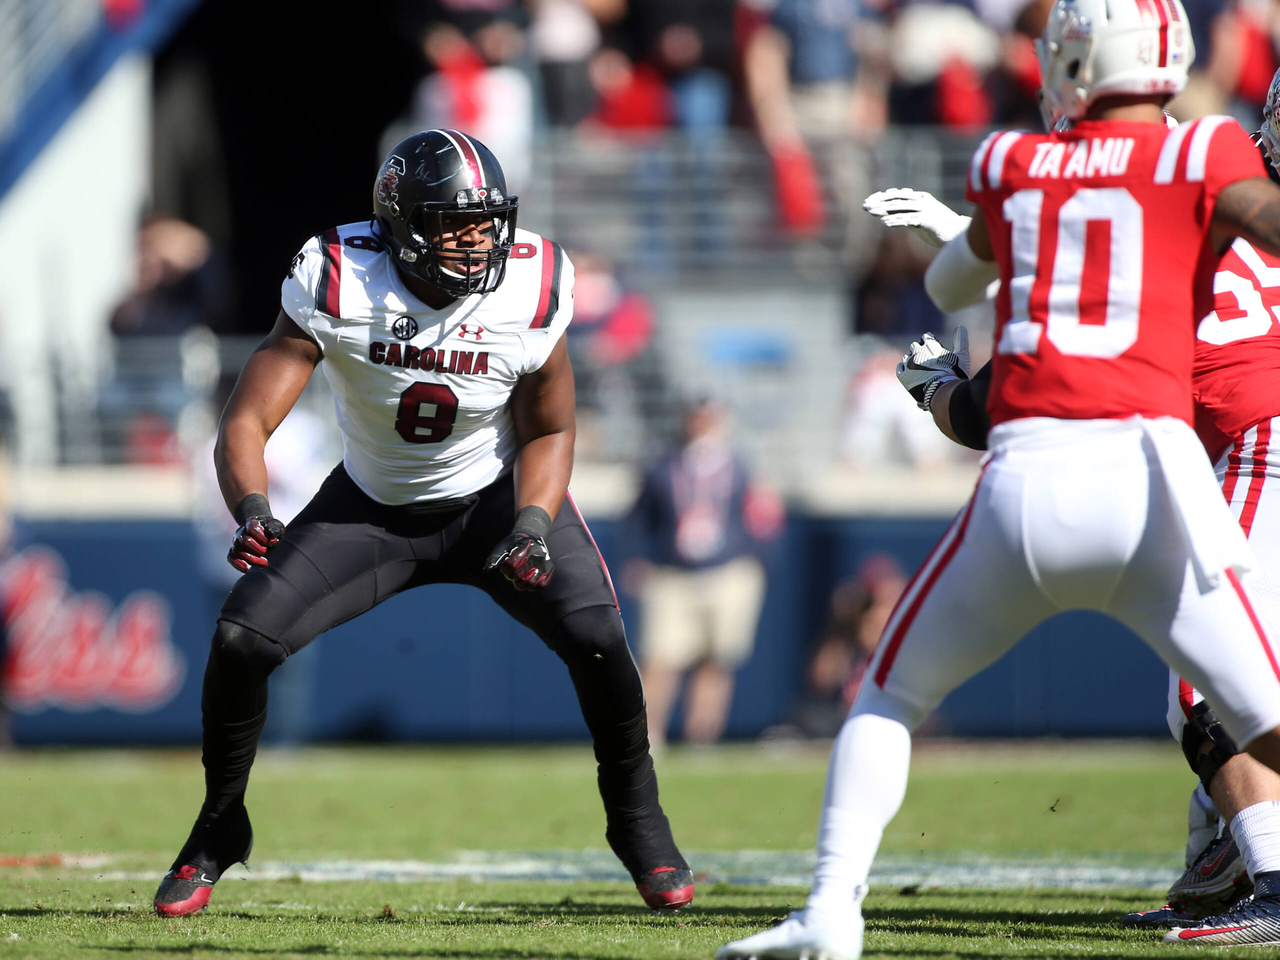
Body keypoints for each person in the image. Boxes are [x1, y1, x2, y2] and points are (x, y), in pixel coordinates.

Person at [717, 0, 1280, 956]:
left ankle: (829, 912)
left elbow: (957, 304)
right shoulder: (1205, 162)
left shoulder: (1016, 161)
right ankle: (1228, 860)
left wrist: (961, 298)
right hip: (1167, 459)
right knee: (1232, 689)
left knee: (892, 695)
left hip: (1109, 458)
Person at [152, 130, 693, 917]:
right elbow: (245, 420)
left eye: (487, 223)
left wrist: (535, 521)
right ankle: (218, 828)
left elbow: (550, 428)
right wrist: (254, 508)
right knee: (241, 637)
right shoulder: (340, 276)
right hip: (370, 509)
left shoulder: (533, 283)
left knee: (600, 638)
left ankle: (638, 824)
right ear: (400, 222)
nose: (477, 243)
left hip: (497, 502)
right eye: (453, 223)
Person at [859, 78, 1280, 947]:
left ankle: (1272, 878)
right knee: (1217, 684)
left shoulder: (1152, 213)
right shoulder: (1219, 196)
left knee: (1212, 686)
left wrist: (932, 379)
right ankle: (1220, 866)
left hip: (1257, 440)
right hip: (1241, 439)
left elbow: (988, 412)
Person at [623, 399, 782, 748]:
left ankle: (702, 737)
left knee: (716, 660)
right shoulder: (663, 466)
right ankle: (649, 737)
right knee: (659, 658)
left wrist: (756, 561)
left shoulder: (741, 468)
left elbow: (764, 518)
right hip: (672, 573)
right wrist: (636, 559)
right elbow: (638, 517)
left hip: (727, 571)